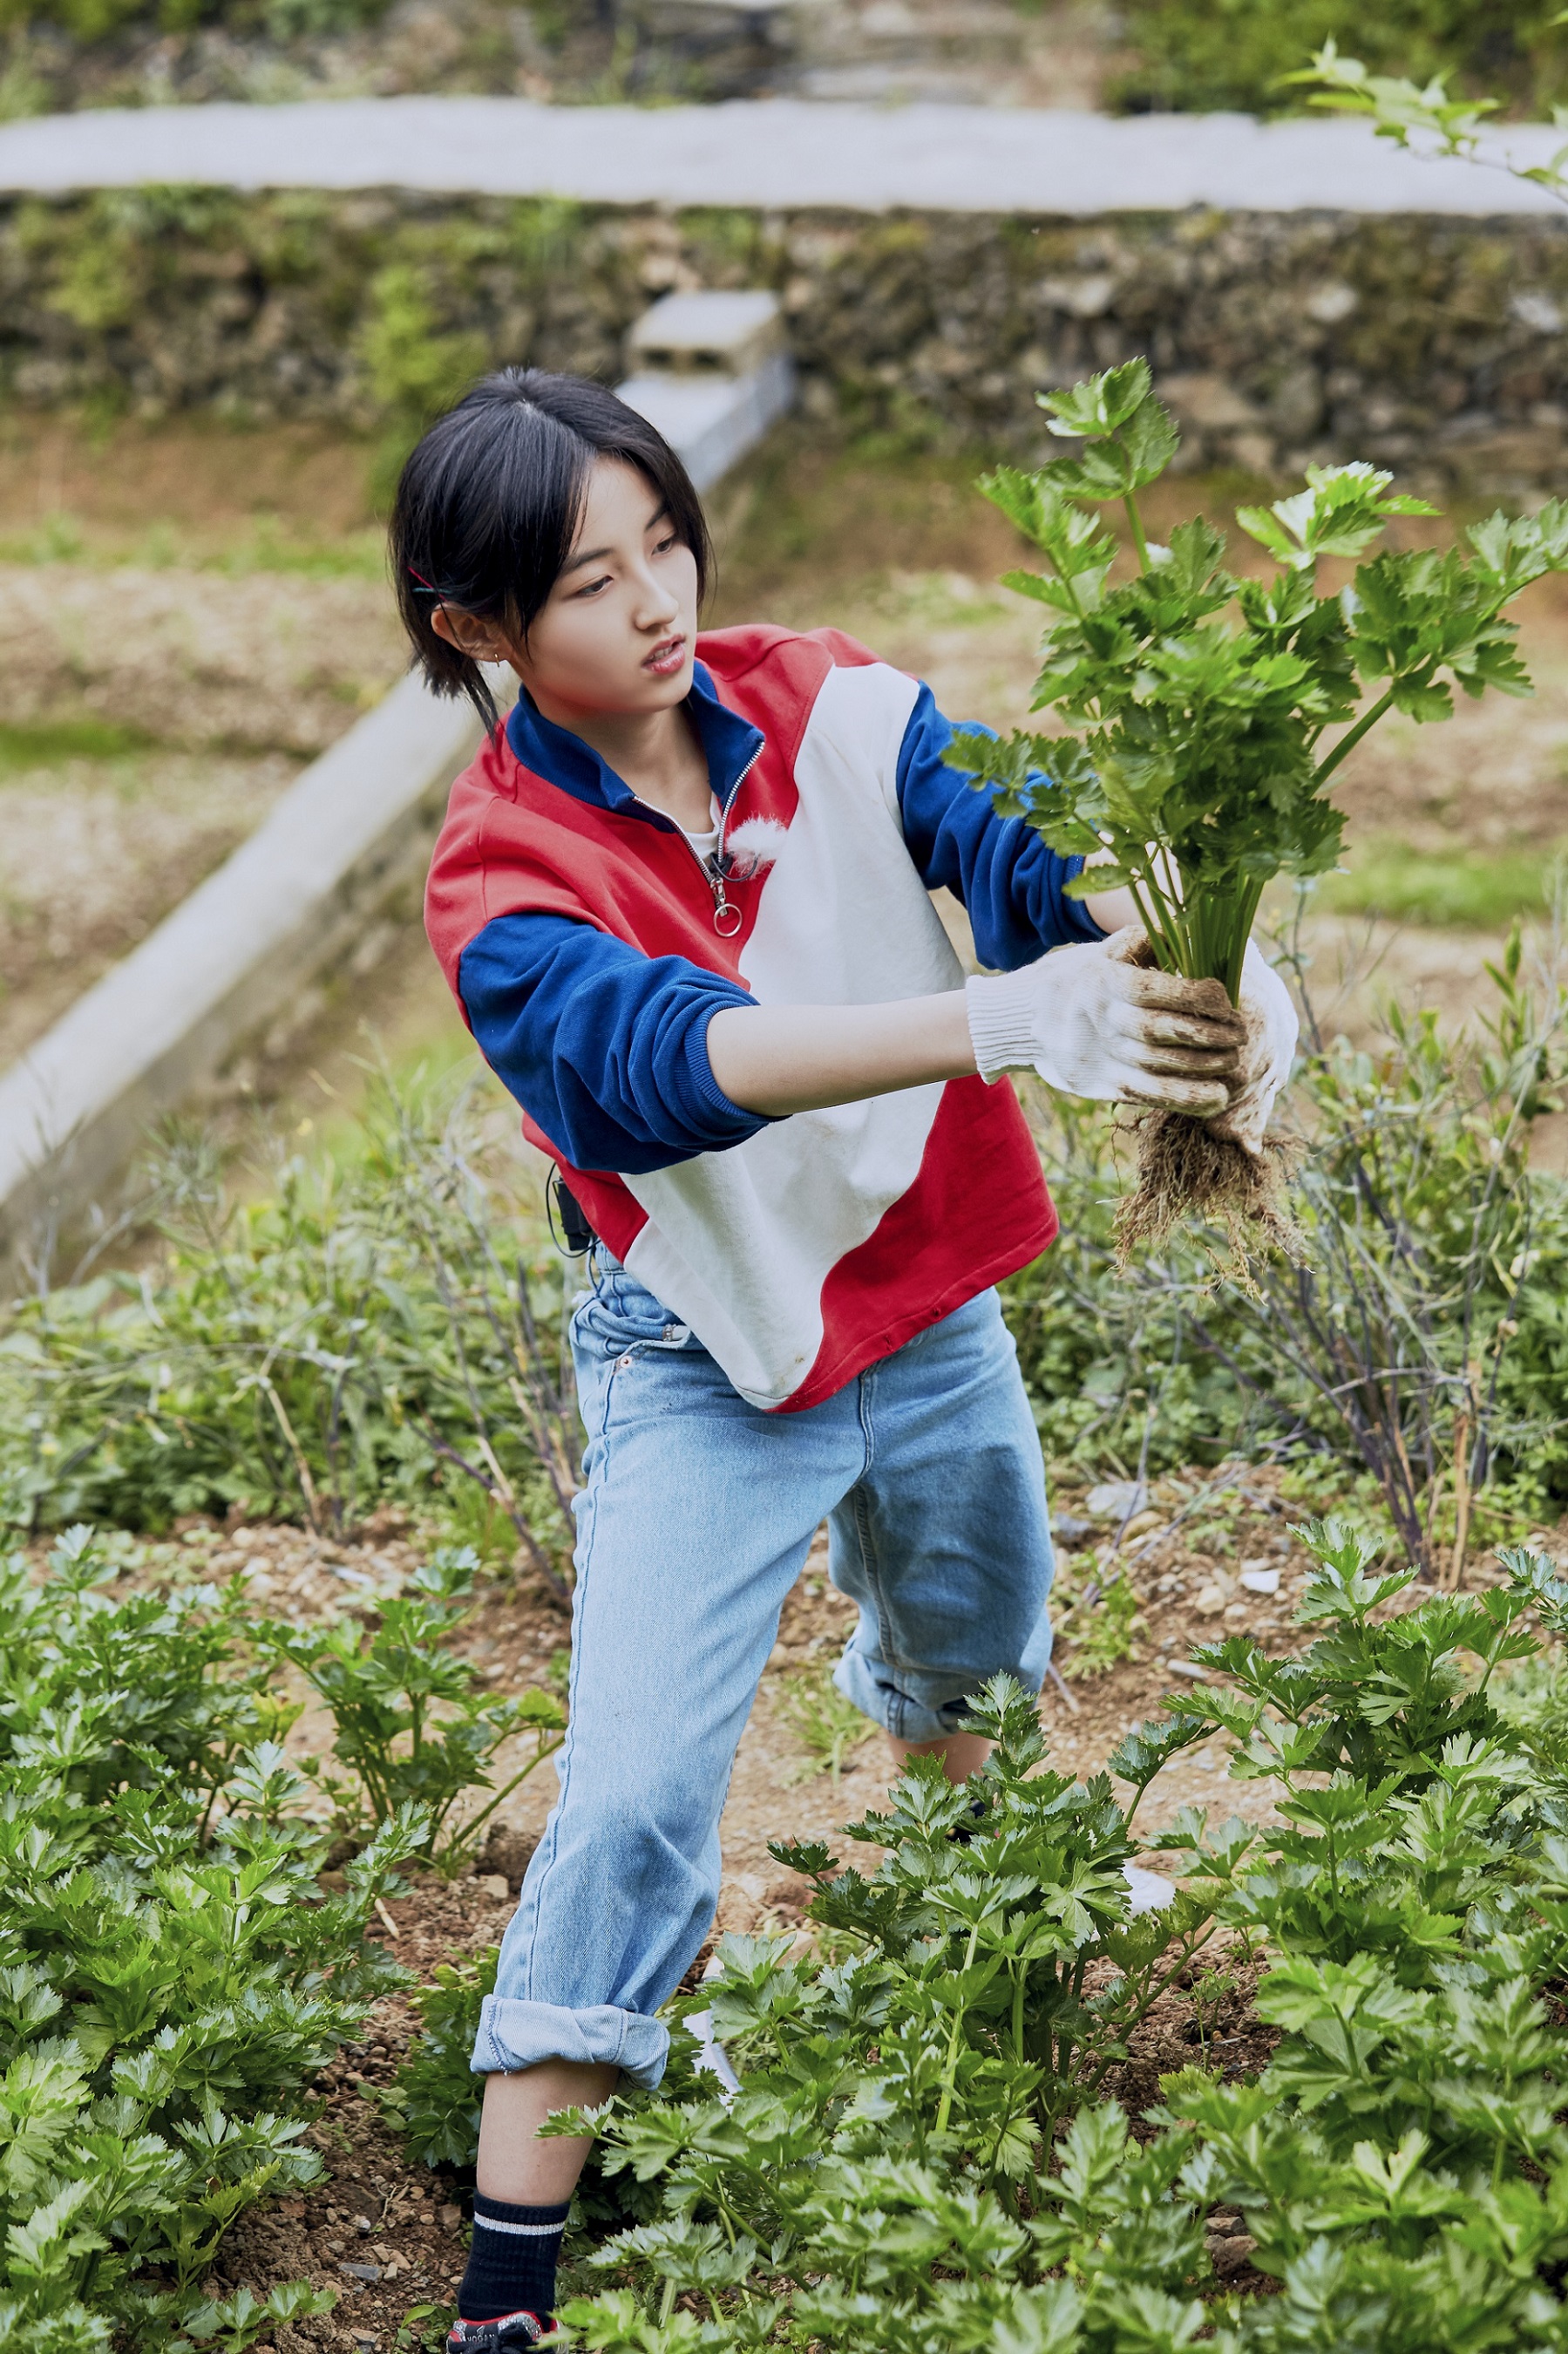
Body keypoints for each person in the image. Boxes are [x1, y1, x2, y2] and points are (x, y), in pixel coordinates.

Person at [408, 368, 1295, 2350]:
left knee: (977, 1633)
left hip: (933, 1297)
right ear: (478, 629)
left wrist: (1173, 983)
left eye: (668, 540)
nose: (654, 602)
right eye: (585, 579)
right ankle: (506, 2279)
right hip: (708, 1348)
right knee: (638, 1784)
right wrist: (990, 1027)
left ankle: (965, 1978)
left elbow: (1001, 836)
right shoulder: (500, 880)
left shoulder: (831, 704)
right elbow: (660, 1071)